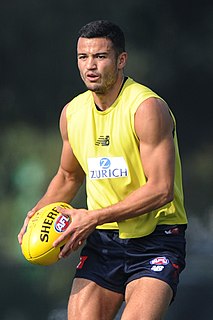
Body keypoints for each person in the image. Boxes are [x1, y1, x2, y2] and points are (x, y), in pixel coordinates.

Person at [18, 20, 187, 320]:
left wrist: (92, 217)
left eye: (100, 56)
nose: (90, 66)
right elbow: (69, 176)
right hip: (103, 243)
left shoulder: (147, 108)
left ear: (121, 60)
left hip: (156, 239)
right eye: (83, 57)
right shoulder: (72, 113)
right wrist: (36, 215)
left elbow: (161, 189)